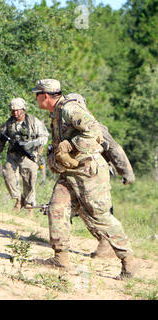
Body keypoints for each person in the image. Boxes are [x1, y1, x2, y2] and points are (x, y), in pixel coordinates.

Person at [32, 79, 139, 280]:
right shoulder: (56, 113)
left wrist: (71, 146)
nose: (35, 97)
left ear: (45, 95)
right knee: (57, 208)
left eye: (37, 94)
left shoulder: (69, 109)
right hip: (70, 173)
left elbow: (94, 131)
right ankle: (60, 259)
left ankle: (129, 261)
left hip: (89, 172)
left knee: (100, 217)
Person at [64, 94, 136, 259]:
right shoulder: (68, 127)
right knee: (83, 211)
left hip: (97, 174)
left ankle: (110, 246)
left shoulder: (95, 126)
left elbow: (114, 149)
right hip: (78, 175)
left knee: (100, 211)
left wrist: (126, 172)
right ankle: (104, 243)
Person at [0, 98, 49, 212]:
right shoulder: (9, 123)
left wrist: (30, 144)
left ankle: (29, 206)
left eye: (18, 110)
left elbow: (44, 137)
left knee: (29, 181)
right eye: (13, 111)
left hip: (29, 155)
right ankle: (18, 199)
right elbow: (2, 139)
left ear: (23, 109)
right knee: (8, 175)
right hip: (13, 155)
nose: (15, 113)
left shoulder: (33, 122)